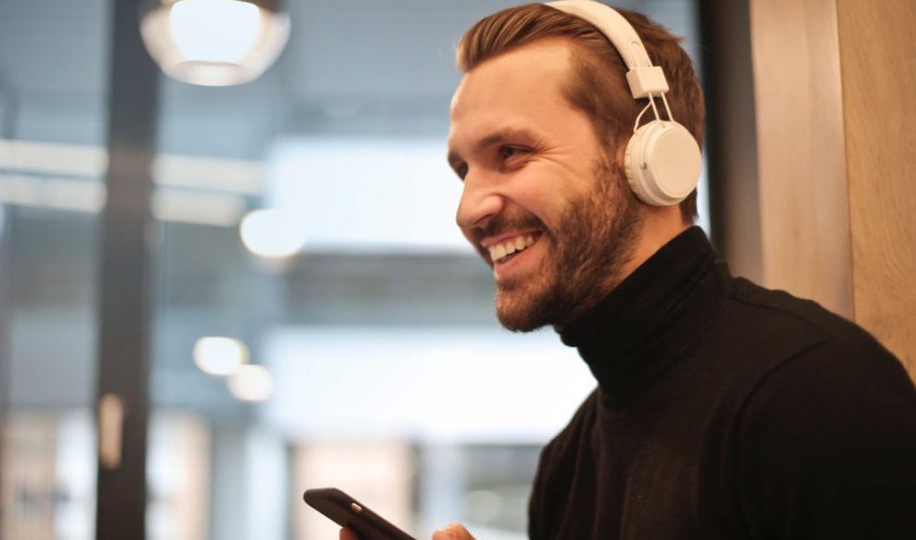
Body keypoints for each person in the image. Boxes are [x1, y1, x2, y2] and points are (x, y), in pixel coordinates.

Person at [342, 1, 916, 539]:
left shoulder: (813, 391)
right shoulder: (567, 466)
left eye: (511, 153)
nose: (469, 210)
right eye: (463, 169)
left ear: (653, 156)